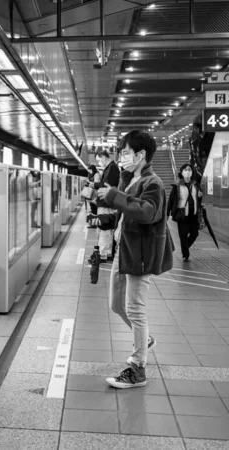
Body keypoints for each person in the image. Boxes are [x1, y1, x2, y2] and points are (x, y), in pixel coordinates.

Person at [96, 130, 174, 389]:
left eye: (126, 152)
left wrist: (115, 197)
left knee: (135, 309)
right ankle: (146, 339)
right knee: (116, 304)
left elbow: (147, 213)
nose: (122, 157)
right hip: (125, 249)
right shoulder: (130, 179)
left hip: (141, 254)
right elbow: (125, 211)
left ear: (140, 155)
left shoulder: (153, 182)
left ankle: (138, 368)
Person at [167, 163, 202, 261]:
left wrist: (200, 196)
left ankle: (185, 246)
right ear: (181, 172)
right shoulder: (177, 186)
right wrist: (167, 213)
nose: (188, 171)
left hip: (193, 214)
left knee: (195, 234)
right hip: (182, 214)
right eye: (185, 169)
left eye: (189, 169)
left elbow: (199, 198)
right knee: (183, 235)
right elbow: (171, 200)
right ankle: (185, 254)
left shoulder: (195, 184)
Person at [92, 149, 120, 261]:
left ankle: (105, 253)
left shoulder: (112, 168)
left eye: (99, 160)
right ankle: (105, 252)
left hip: (107, 203)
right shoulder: (110, 168)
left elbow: (107, 185)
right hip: (105, 203)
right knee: (103, 228)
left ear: (103, 157)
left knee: (105, 228)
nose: (99, 163)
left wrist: (95, 184)